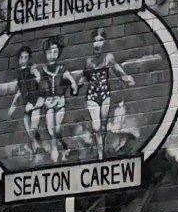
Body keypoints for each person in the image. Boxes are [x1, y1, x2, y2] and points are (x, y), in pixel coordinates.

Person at [79, 28, 134, 160]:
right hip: (92, 95)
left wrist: (125, 78)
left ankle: (100, 154)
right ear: (92, 43)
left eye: (100, 41)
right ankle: (98, 149)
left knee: (103, 125)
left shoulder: (108, 57)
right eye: (95, 41)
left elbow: (116, 69)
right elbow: (85, 76)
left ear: (104, 42)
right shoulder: (89, 60)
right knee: (96, 125)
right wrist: (77, 85)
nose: (97, 44)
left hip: (105, 94)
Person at [38, 36, 78, 162]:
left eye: (55, 52)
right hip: (49, 103)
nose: (52, 55)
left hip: (60, 101)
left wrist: (73, 85)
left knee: (57, 128)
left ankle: (62, 149)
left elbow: (71, 79)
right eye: (49, 52)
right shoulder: (43, 71)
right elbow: (38, 86)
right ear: (45, 53)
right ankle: (58, 150)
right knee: (51, 130)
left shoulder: (61, 69)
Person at [7, 46, 43, 154]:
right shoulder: (19, 75)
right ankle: (36, 148)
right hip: (26, 106)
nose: (24, 60)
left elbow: (38, 77)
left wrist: (36, 74)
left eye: (26, 57)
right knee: (31, 132)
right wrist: (13, 105)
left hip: (35, 103)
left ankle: (30, 147)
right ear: (18, 59)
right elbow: (19, 91)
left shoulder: (32, 68)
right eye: (22, 57)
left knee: (33, 128)